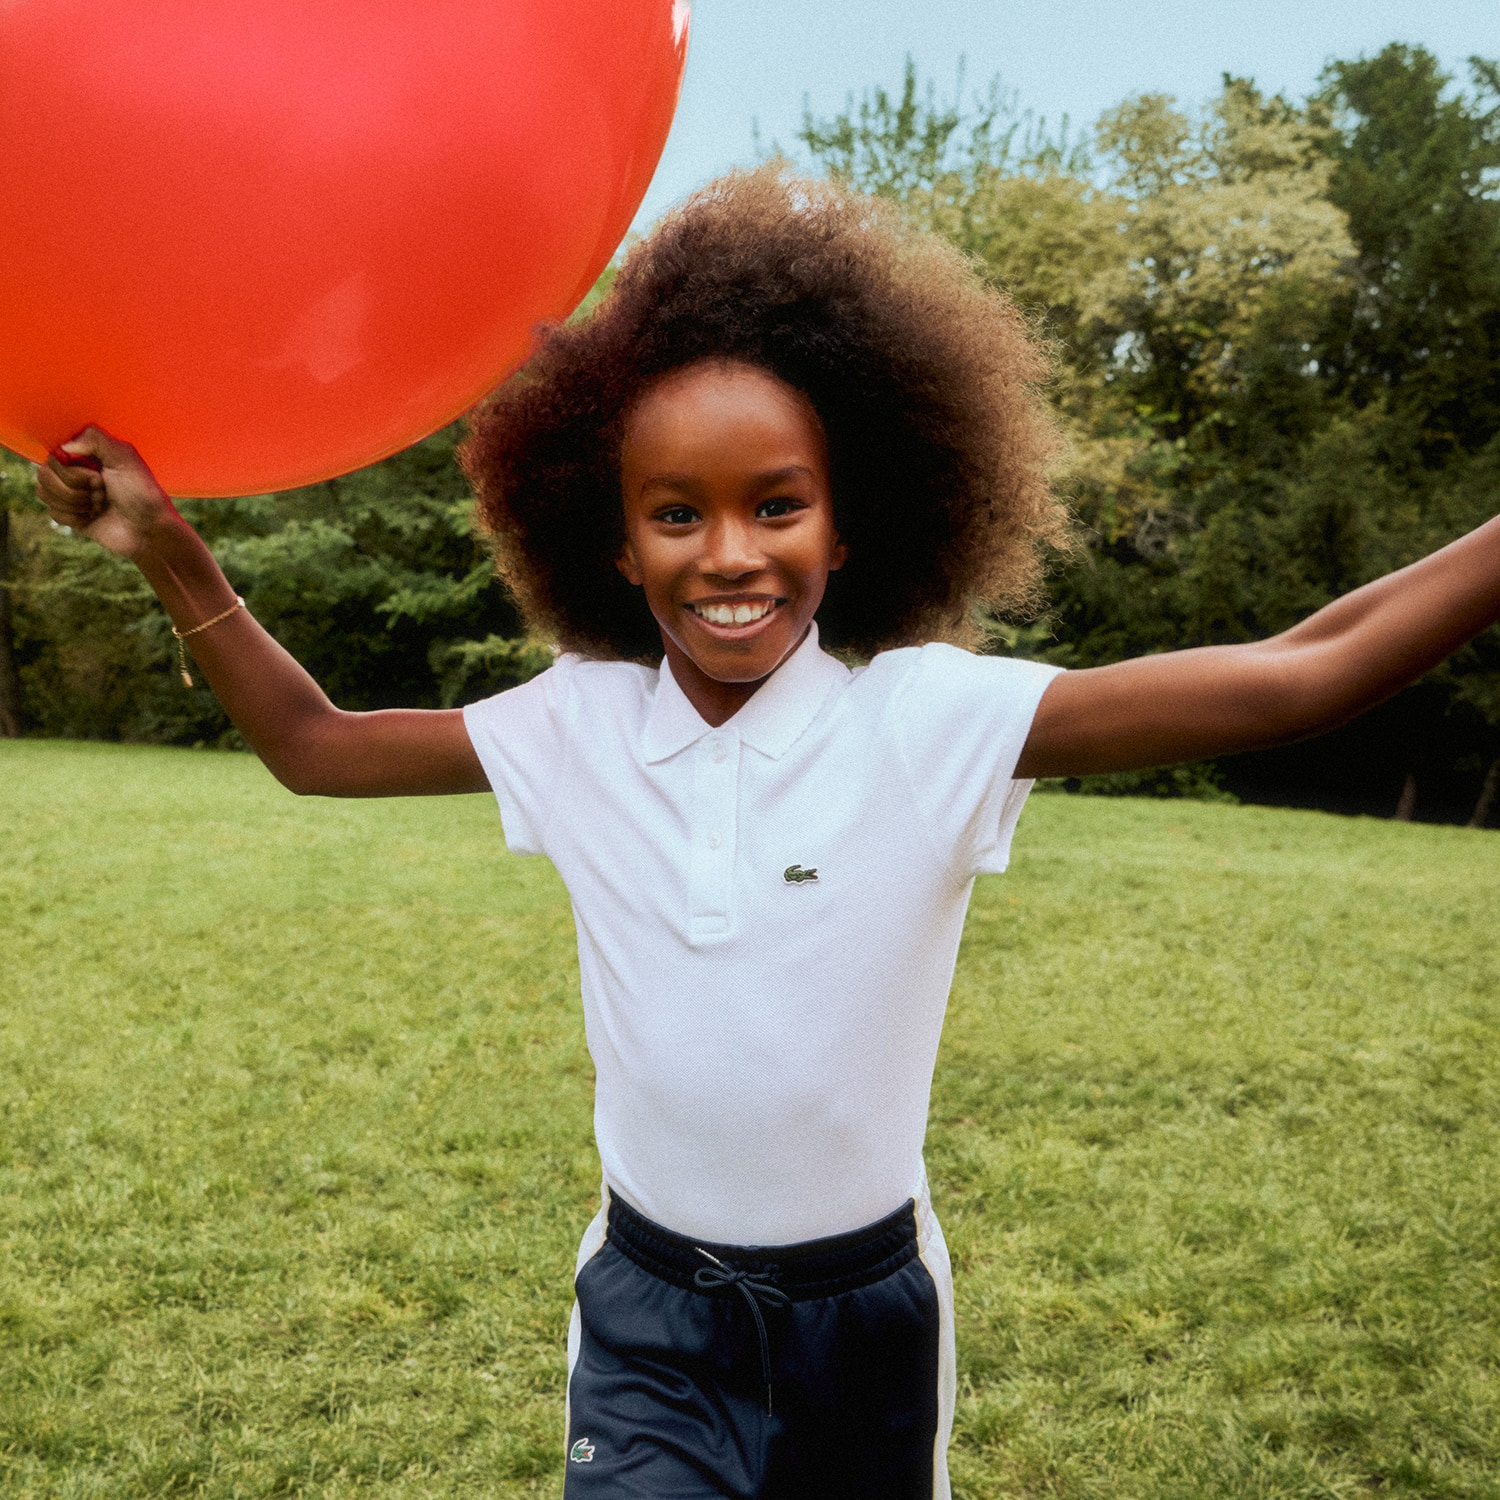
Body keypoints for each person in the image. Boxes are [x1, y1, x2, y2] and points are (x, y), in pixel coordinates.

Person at [35, 167, 1500, 1500]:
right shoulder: (578, 725)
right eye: (678, 514)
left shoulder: (933, 722)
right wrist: (168, 548)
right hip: (651, 1316)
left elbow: (1311, 667)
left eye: (776, 507)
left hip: (869, 1315)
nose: (730, 554)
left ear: (847, 528)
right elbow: (314, 749)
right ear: (613, 546)